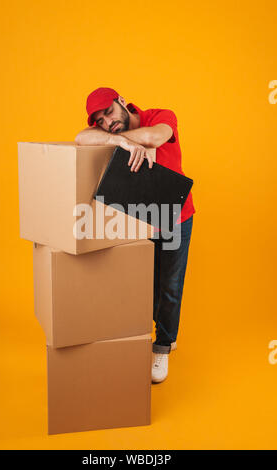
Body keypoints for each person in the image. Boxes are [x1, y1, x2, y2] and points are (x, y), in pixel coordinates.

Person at [75, 87, 195, 383]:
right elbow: (81, 138)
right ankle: (159, 331)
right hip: (137, 218)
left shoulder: (160, 116)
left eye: (110, 112)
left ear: (122, 102)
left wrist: (132, 140)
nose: (107, 122)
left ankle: (163, 345)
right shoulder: (111, 133)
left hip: (175, 217)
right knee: (143, 284)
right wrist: (121, 142)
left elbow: (155, 137)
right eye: (100, 120)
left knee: (169, 284)